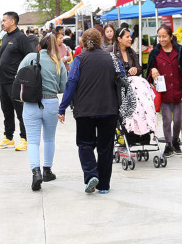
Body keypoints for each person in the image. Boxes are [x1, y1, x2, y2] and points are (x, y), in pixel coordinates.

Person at [58, 28, 124, 194]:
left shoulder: (79, 60)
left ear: (83, 42)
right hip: (109, 109)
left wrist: (63, 107)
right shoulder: (112, 58)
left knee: (85, 145)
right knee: (105, 148)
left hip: (85, 110)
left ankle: (91, 174)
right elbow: (123, 78)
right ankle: (104, 185)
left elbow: (71, 83)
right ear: (100, 39)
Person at [20, 35, 67, 191]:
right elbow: (62, 87)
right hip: (51, 103)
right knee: (49, 138)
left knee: (33, 141)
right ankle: (47, 171)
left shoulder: (30, 57)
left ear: (39, 46)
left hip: (31, 104)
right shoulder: (58, 61)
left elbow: (18, 77)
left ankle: (36, 172)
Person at [146, 24, 182, 157]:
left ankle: (175, 140)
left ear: (171, 37)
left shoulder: (181, 51)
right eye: (159, 37)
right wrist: (153, 70)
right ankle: (168, 145)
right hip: (163, 92)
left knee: (177, 120)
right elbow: (148, 71)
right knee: (166, 120)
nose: (161, 39)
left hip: (178, 90)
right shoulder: (155, 52)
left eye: (164, 36)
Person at [0, 12, 34, 151]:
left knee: (21, 111)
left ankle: (25, 138)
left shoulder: (21, 37)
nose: (2, 23)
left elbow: (30, 58)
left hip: (16, 82)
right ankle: (9, 138)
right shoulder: (5, 37)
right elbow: (4, 55)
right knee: (7, 110)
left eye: (4, 20)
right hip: (3, 80)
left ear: (12, 22)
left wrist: (25, 77)